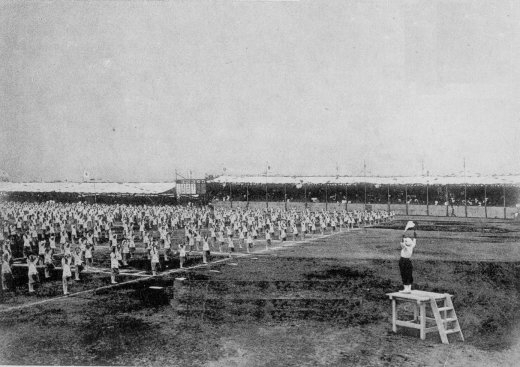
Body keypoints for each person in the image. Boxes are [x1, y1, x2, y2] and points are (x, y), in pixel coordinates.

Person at [399, 221, 417, 293]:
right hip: (408, 261)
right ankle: (408, 288)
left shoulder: (405, 247)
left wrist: (404, 233)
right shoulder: (412, 246)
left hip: (403, 261)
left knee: (404, 274)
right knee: (409, 274)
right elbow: (414, 240)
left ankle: (406, 289)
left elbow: (402, 242)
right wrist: (415, 234)